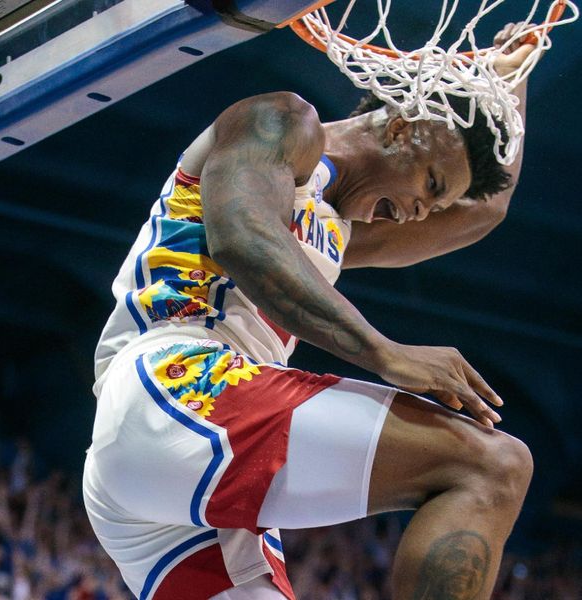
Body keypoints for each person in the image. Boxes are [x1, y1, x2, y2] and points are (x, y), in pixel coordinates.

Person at [83, 24, 536, 600]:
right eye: (431, 182)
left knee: (491, 468)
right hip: (174, 385)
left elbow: (483, 212)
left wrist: (513, 81)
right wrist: (384, 353)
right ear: (403, 126)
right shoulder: (281, 122)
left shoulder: (342, 228)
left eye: (435, 203)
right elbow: (243, 240)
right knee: (492, 466)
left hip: (158, 481)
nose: (422, 212)